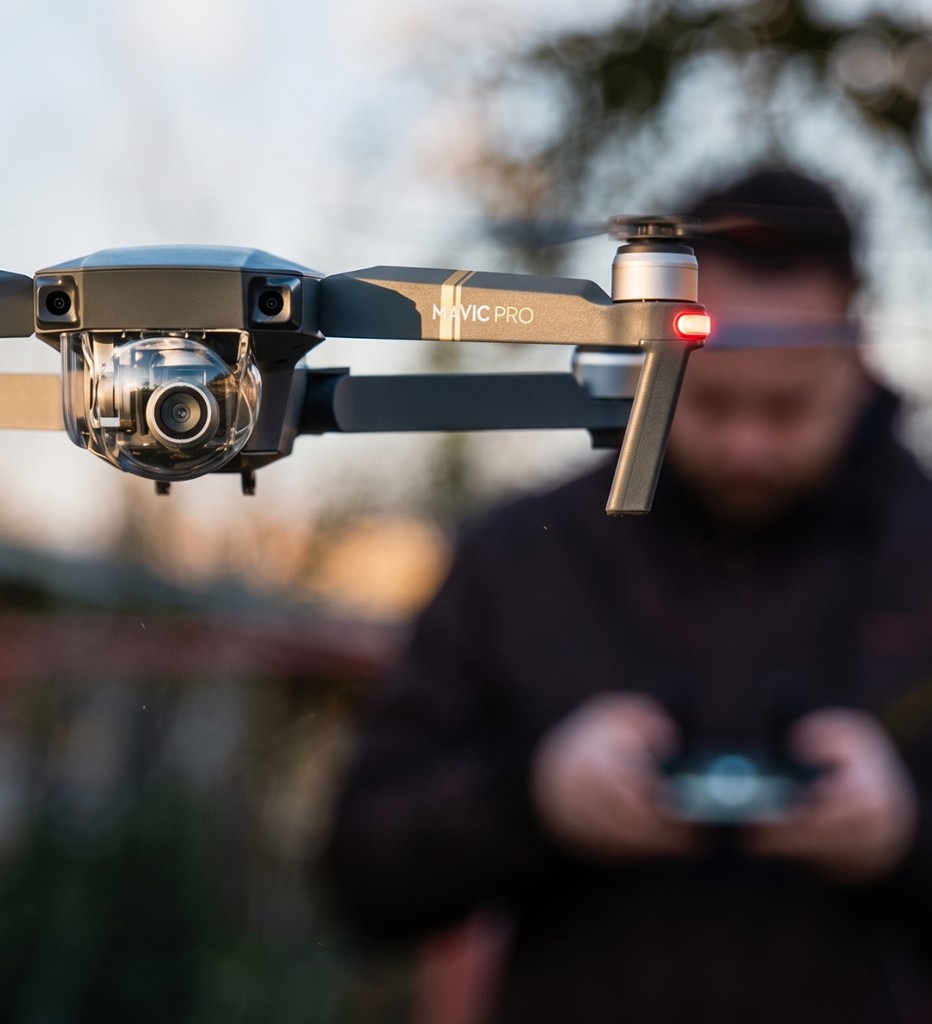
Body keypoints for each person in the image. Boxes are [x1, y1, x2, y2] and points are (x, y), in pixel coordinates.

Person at [324, 168, 932, 1024]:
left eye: (789, 409)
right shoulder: (524, 554)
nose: (747, 447)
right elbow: (362, 868)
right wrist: (534, 800)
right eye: (711, 401)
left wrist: (906, 837)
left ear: (856, 353)